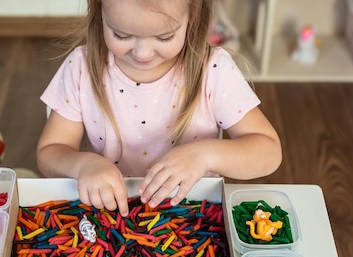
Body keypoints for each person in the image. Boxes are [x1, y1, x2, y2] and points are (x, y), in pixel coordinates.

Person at [37, 0, 281, 217]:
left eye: (164, 37)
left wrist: (205, 156)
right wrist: (82, 165)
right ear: (99, 12)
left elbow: (268, 151)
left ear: (192, 18)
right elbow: (50, 152)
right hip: (112, 216)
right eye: (121, 35)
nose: (142, 53)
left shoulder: (213, 70)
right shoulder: (81, 68)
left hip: (193, 214)